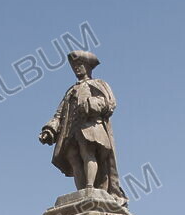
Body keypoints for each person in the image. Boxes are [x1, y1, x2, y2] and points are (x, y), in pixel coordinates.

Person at [39, 50, 127, 202]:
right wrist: (50, 129)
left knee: (88, 153)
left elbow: (109, 103)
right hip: (70, 130)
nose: (77, 68)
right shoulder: (70, 91)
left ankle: (89, 187)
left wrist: (91, 105)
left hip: (90, 126)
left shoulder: (98, 84)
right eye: (75, 66)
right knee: (74, 158)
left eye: (80, 65)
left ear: (88, 67)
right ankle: (82, 192)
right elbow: (59, 114)